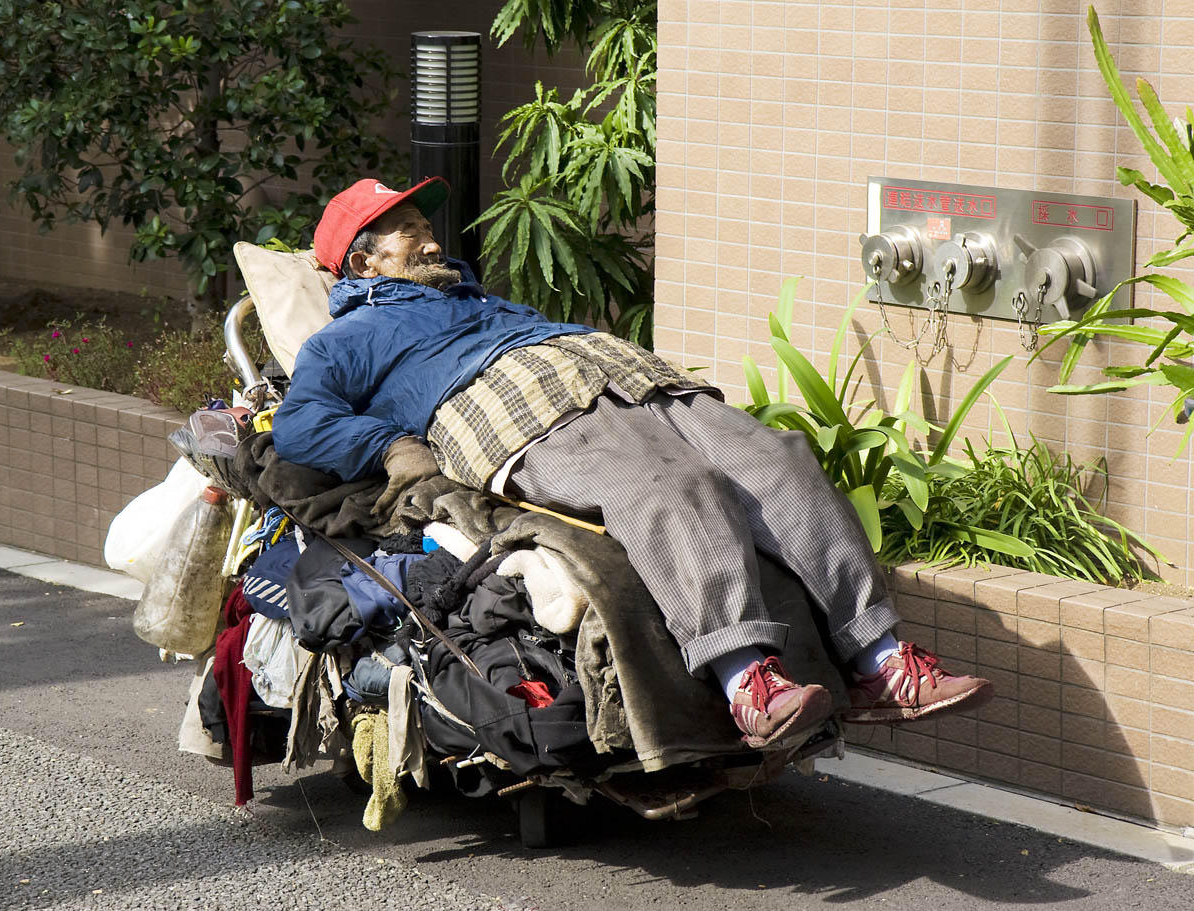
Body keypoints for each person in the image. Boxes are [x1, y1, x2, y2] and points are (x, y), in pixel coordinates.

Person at [272, 177, 993, 749]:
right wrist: (391, 446)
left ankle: (881, 660)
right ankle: (750, 682)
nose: (431, 242)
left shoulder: (479, 297)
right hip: (522, 409)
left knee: (777, 458)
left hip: (629, 376)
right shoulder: (349, 336)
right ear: (362, 262)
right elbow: (301, 425)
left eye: (429, 229)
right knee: (671, 486)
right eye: (410, 235)